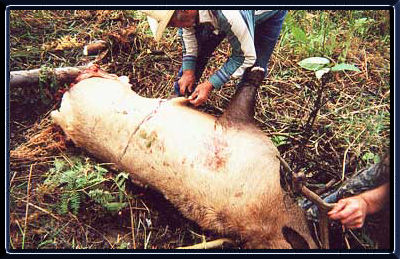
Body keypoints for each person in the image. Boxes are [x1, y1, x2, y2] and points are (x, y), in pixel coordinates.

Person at [142, 10, 287, 106]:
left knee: (255, 69)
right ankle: (180, 97)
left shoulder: (230, 14)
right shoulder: (187, 13)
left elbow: (245, 56)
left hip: (268, 11)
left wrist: (211, 84)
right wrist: (188, 70)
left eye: (172, 24)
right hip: (226, 17)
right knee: (201, 44)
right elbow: (188, 32)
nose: (175, 28)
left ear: (185, 10)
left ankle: (238, 118)